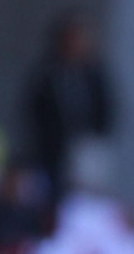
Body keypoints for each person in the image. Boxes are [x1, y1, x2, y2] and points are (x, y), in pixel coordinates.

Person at [22, 11, 116, 206]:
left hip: (84, 152)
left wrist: (91, 138)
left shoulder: (95, 76)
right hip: (51, 153)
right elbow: (34, 109)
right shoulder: (48, 73)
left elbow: (106, 111)